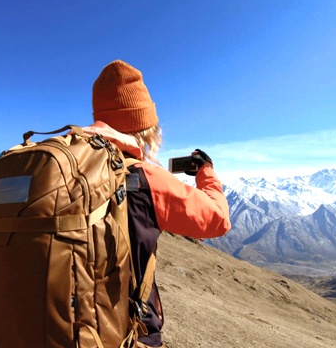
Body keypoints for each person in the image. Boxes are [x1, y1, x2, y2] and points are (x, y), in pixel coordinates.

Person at [82, 60, 232, 348]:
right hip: (121, 333)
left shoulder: (63, 167)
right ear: (144, 126)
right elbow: (217, 220)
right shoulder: (146, 177)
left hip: (45, 324)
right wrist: (206, 172)